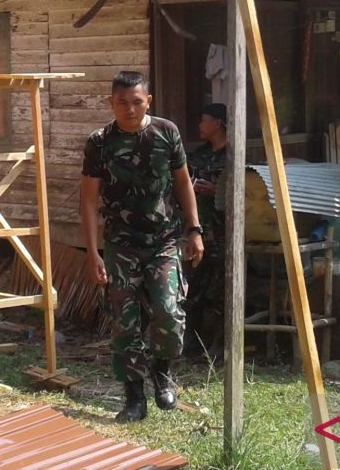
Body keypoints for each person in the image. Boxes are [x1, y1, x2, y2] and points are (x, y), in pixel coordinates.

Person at [80, 71, 205, 423]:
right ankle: (134, 398)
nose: (130, 110)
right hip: (120, 244)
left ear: (148, 101)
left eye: (137, 102)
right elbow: (88, 201)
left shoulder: (167, 133)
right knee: (125, 323)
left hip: (164, 241)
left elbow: (183, 184)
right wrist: (93, 253)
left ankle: (162, 373)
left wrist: (194, 229)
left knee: (168, 313)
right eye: (122, 103)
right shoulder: (100, 142)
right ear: (111, 103)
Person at [184, 103, 228, 356]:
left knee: (221, 289)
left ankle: (219, 346)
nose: (200, 126)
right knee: (194, 288)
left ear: (217, 124)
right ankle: (191, 343)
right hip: (198, 232)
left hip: (223, 234)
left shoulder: (233, 156)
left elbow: (245, 191)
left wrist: (216, 191)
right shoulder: (197, 156)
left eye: (204, 120)